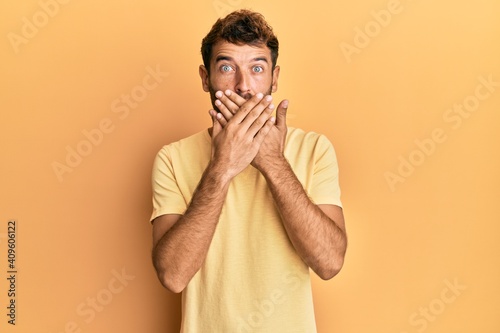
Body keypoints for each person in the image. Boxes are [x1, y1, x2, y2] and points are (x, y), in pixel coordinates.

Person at [150, 9, 347, 332]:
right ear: (205, 78)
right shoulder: (172, 158)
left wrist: (272, 161)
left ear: (275, 78)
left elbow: (329, 263)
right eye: (227, 67)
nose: (243, 86)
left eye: (257, 68)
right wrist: (221, 167)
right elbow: (173, 276)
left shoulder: (314, 149)